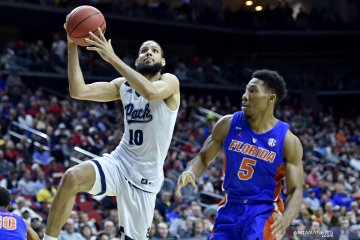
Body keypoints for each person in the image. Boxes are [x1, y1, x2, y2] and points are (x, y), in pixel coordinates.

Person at [44, 25, 180, 240]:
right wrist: (72, 45)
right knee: (71, 177)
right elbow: (78, 91)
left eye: (154, 51)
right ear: (136, 61)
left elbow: (151, 93)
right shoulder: (123, 86)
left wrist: (112, 58)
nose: (149, 53)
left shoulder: (170, 82)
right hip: (120, 161)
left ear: (162, 62)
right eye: (144, 50)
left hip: (145, 177)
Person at [176, 69, 304, 240]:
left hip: (263, 211)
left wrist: (285, 220)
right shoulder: (227, 124)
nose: (244, 96)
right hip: (230, 206)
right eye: (245, 90)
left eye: (252, 91)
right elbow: (202, 158)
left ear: (271, 98)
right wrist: (191, 171)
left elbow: (296, 190)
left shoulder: (288, 141)